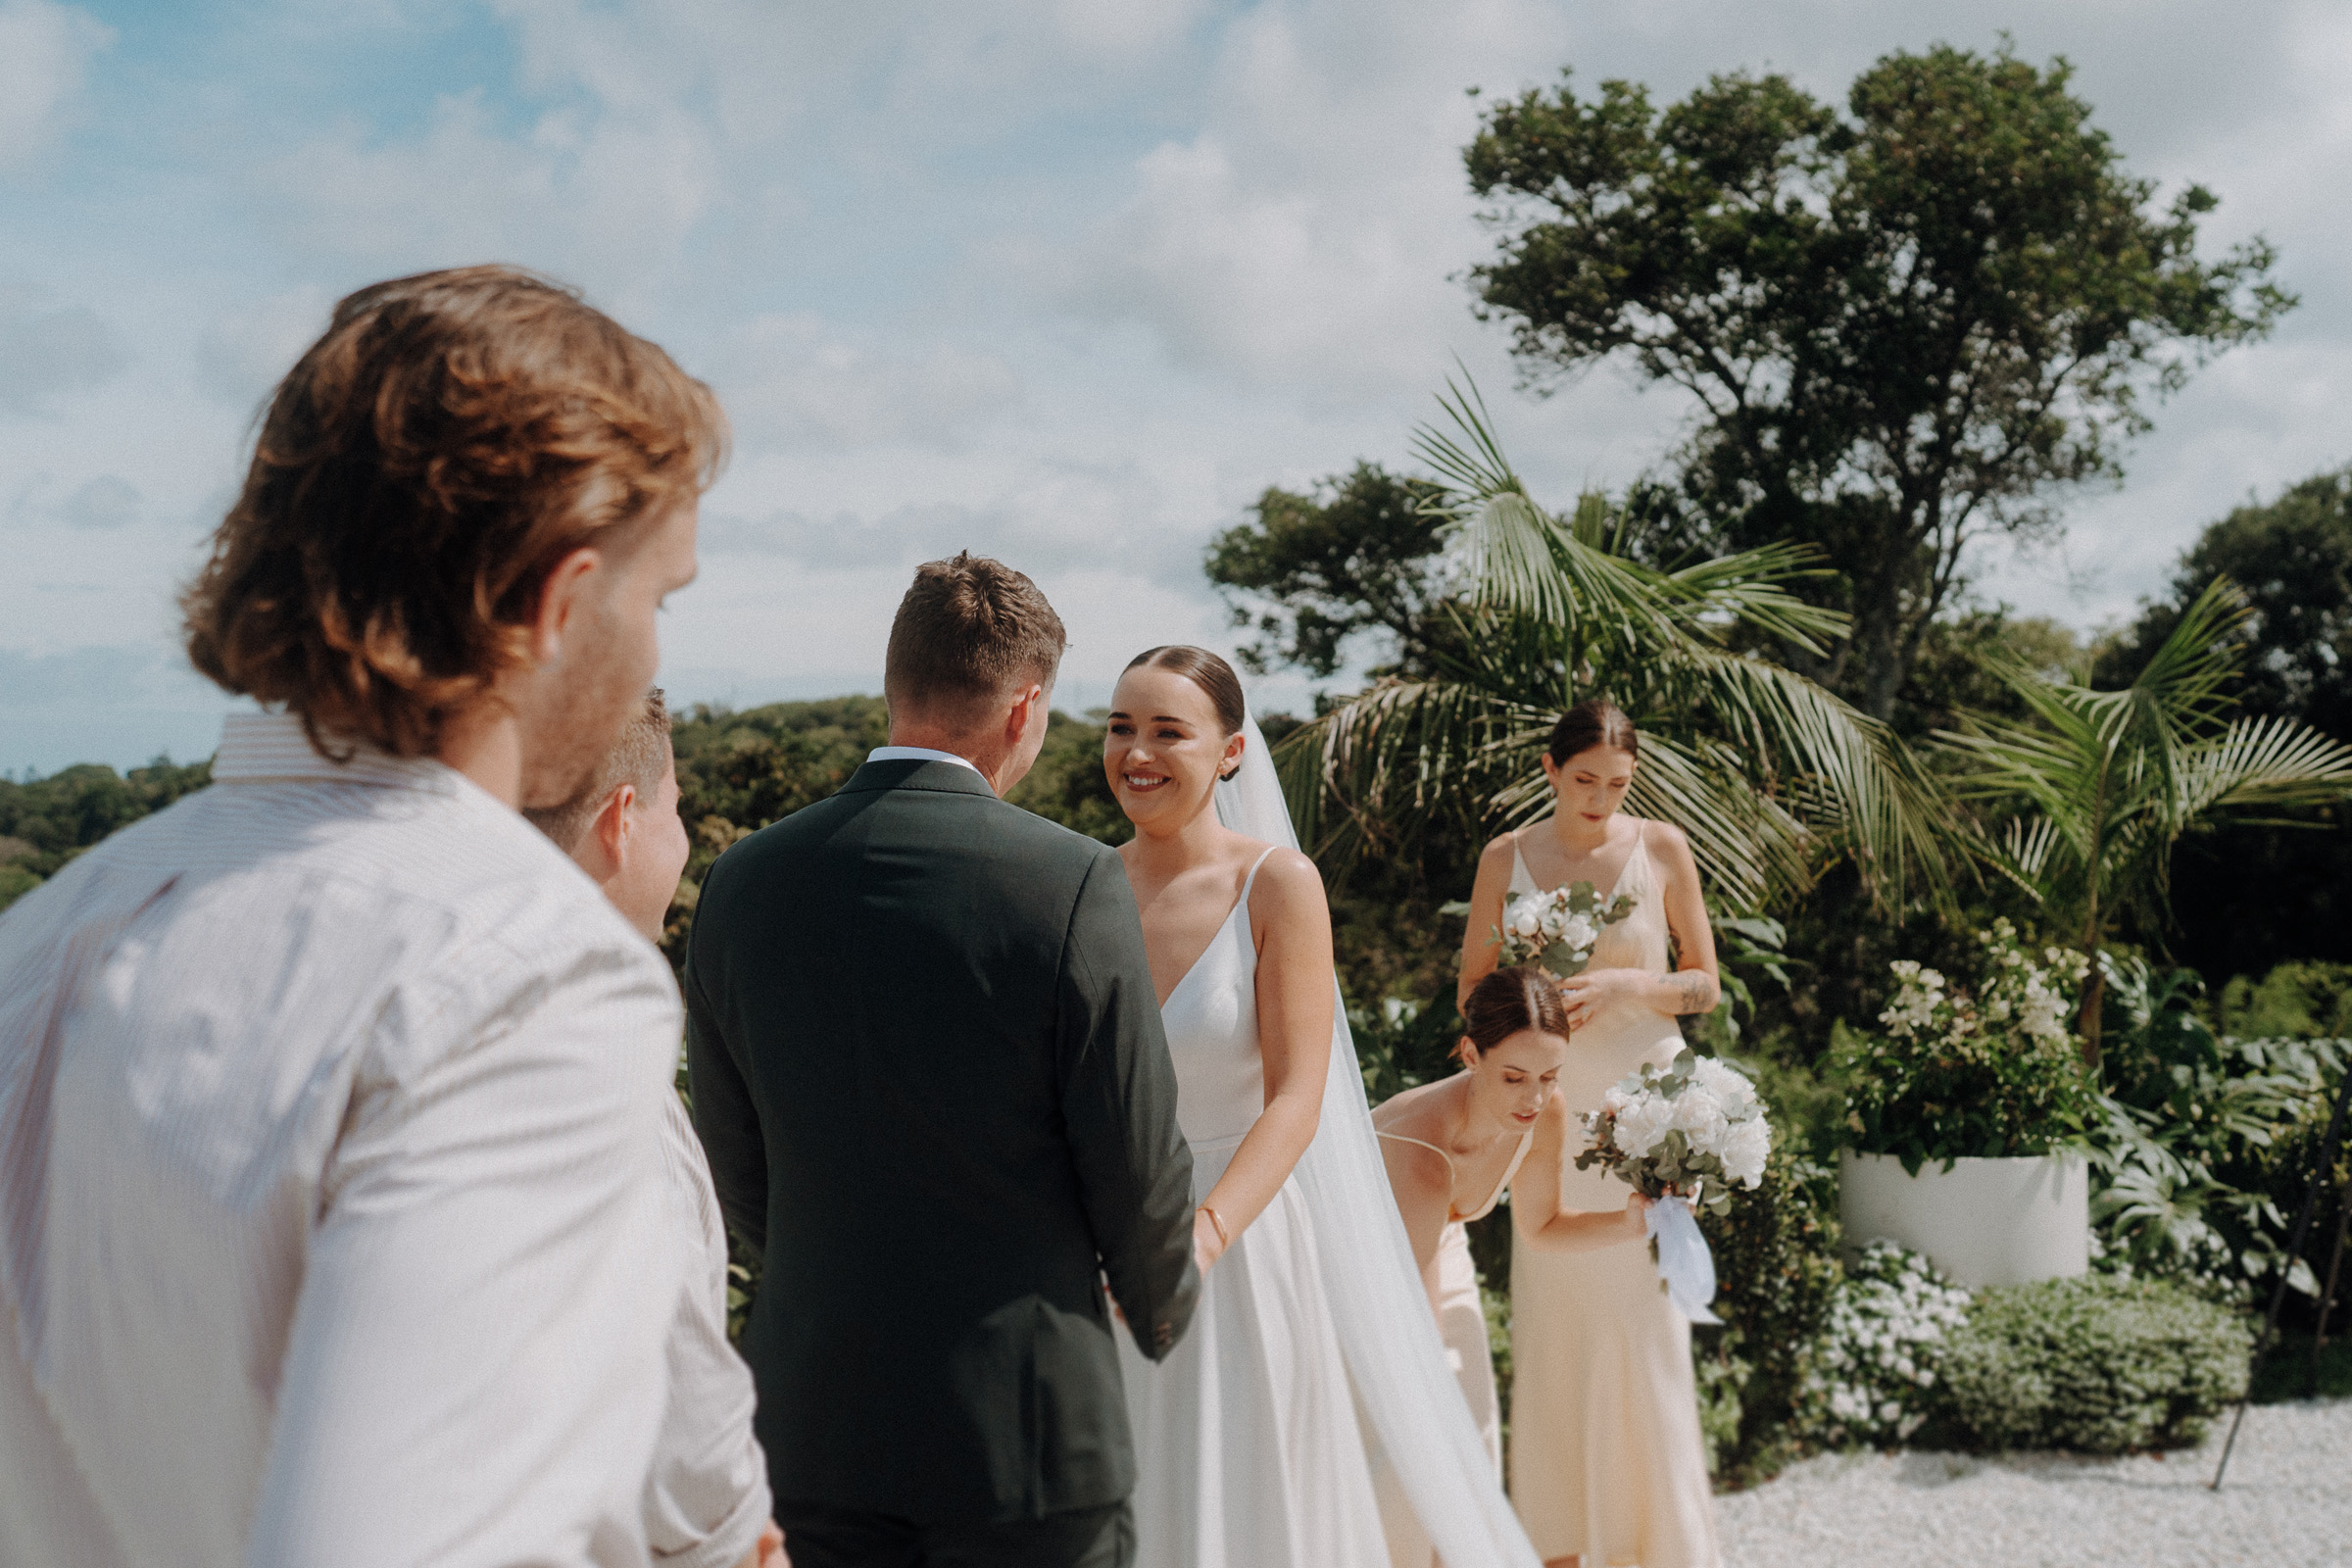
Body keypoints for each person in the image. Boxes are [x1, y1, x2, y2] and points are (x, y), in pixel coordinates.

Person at [0, 265, 734, 1568]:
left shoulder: (47, 930)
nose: (656, 653)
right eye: (657, 598)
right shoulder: (525, 971)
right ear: (557, 608)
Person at [684, 553, 1200, 1568]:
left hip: (811, 1424)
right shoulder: (1073, 882)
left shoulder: (740, 884)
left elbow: (733, 1161)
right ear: (1024, 709)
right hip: (1028, 1432)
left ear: (893, 685)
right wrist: (1162, 1304)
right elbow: (1135, 1156)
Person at [1104, 646, 1543, 1568]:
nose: (1136, 751)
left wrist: (1204, 1236)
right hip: (1105, 1238)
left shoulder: (1275, 884)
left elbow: (1301, 1094)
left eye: (1166, 731)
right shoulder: (1085, 886)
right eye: (1120, 727)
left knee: (1249, 1499)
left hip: (1242, 1235)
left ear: (1228, 752)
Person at [1456, 698, 1725, 1568]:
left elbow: (1706, 987)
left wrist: (1630, 989)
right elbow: (1473, 991)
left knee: (1646, 1323)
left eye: (1617, 783)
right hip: (1549, 1106)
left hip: (1651, 1108)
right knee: (1556, 1319)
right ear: (1549, 771)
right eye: (1583, 782)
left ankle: (1659, 1543)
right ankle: (1561, 1543)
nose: (1601, 798)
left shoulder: (1664, 848)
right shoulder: (1507, 857)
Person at [524, 688, 785, 1568]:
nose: (682, 840)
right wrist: (743, 1533)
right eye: (676, 809)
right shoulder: (599, 1060)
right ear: (623, 820)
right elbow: (669, 1373)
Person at [1372, 965, 1648, 1480]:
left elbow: (1541, 1226)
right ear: (1472, 1055)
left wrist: (1630, 1223)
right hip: (1353, 1261)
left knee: (1475, 1437)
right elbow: (1417, 1324)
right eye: (1514, 1078)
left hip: (1438, 1248)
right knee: (1406, 1447)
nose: (1534, 1099)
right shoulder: (1424, 1151)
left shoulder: (1544, 1114)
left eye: (1550, 1077)